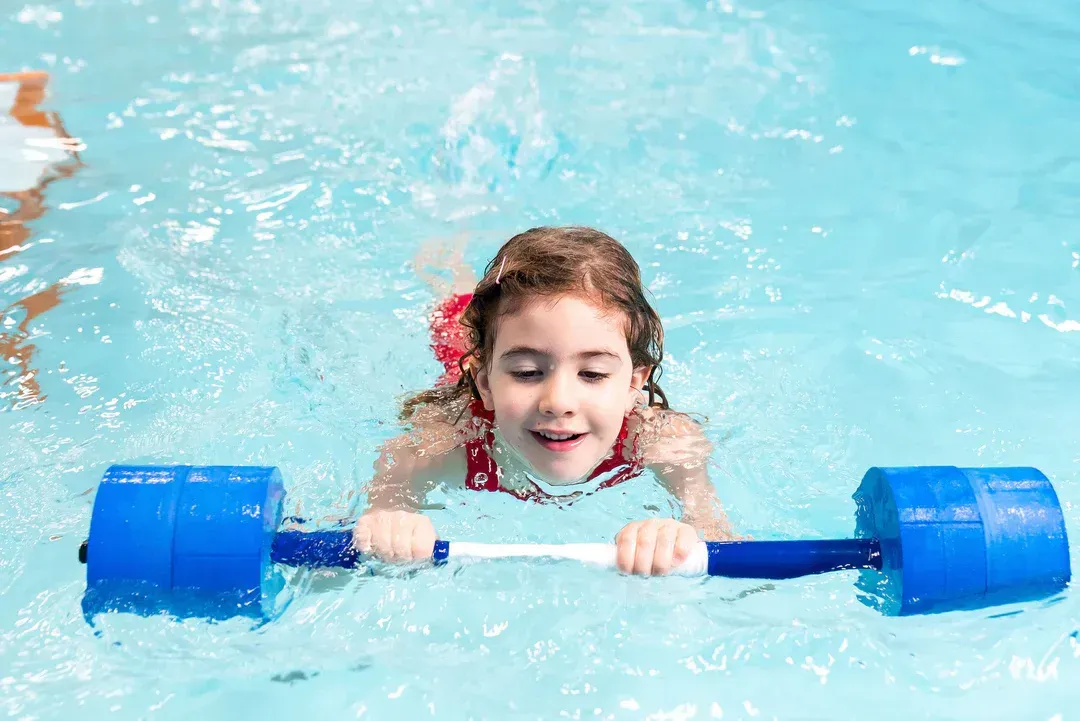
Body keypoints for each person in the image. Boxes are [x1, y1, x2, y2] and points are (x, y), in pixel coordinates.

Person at [353, 226, 737, 576]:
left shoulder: (665, 444)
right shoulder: (437, 443)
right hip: (465, 370)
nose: (558, 402)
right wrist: (390, 522)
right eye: (526, 373)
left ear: (633, 385)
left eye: (593, 374)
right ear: (484, 383)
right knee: (455, 316)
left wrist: (677, 539)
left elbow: (724, 545)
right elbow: (366, 525)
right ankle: (446, 254)